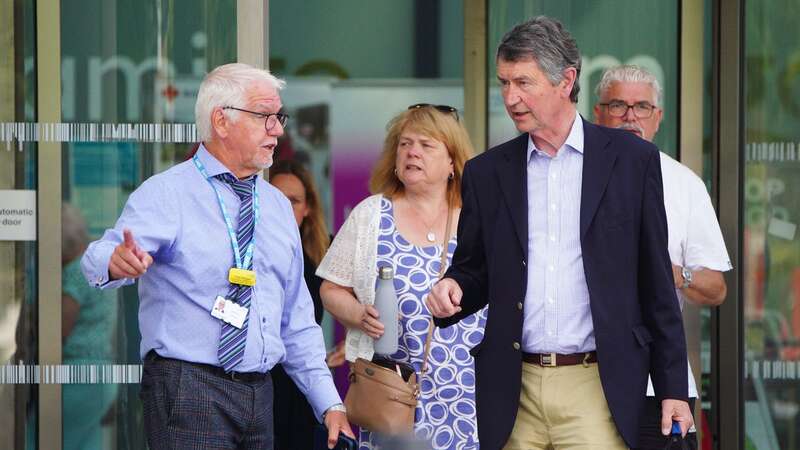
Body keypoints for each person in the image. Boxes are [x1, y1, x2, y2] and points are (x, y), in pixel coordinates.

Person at [426, 16, 694, 450]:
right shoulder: (486, 173)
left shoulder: (632, 162)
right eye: (504, 83)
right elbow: (475, 269)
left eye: (524, 83)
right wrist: (453, 287)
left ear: (566, 80)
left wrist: (673, 389)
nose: (511, 98)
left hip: (597, 386)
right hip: (515, 390)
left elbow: (657, 285)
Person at [80, 62, 353, 450]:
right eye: (264, 117)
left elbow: (297, 320)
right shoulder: (168, 193)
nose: (277, 129)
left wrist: (329, 403)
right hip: (189, 388)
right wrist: (115, 262)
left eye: (279, 117)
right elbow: (97, 256)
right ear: (221, 121)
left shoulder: (277, 206)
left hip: (261, 393)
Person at [316, 104, 482, 450]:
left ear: (453, 162)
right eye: (405, 144)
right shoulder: (371, 215)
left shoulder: (478, 217)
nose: (412, 152)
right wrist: (359, 315)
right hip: (392, 397)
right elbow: (331, 288)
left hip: (471, 397)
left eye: (426, 144)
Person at [593, 64, 732, 450]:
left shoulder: (684, 183)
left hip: (660, 384)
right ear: (598, 111)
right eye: (618, 105)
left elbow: (716, 288)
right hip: (582, 380)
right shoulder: (573, 174)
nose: (630, 117)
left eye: (642, 107)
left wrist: (672, 273)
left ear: (658, 117)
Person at [268, 159, 346, 449]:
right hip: (260, 380)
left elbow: (378, 288)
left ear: (308, 208)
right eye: (277, 197)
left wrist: (354, 343)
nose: (285, 207)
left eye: (294, 200)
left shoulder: (326, 251)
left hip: (303, 381)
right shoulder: (247, 249)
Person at [62, 204, 120, 450]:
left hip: (77, 377)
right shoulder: (96, 265)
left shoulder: (75, 272)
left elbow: (58, 328)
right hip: (102, 374)